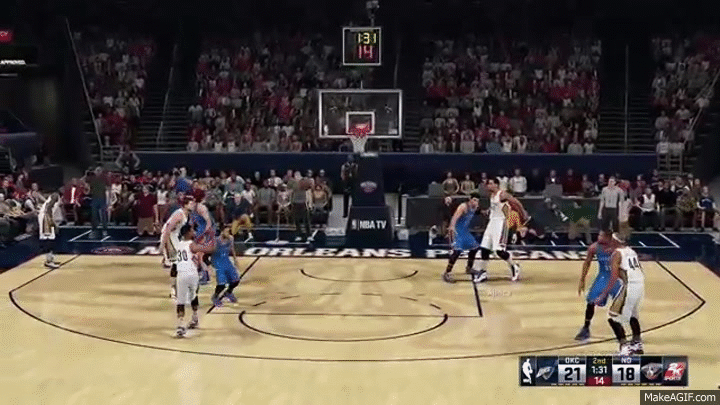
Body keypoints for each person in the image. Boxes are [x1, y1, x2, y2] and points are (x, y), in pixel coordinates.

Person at [595, 233, 645, 355]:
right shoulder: (631, 251)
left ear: (616, 241)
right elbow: (640, 269)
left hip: (630, 286)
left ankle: (624, 347)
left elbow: (613, 277)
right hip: (640, 284)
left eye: (612, 240)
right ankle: (637, 344)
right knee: (633, 315)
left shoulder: (617, 254)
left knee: (612, 317)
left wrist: (603, 294)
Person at [476, 179, 526, 282]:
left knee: (499, 251)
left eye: (490, 184)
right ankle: (483, 272)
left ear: (496, 184)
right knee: (484, 248)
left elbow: (515, 201)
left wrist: (523, 212)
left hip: (501, 223)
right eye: (488, 184)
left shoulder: (502, 194)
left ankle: (514, 266)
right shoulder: (492, 195)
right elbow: (495, 208)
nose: (488, 186)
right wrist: (487, 211)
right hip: (492, 222)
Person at [575, 231, 621, 340]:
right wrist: (582, 279)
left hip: (618, 278)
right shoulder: (594, 247)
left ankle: (628, 332)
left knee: (623, 303)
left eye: (601, 235)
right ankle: (586, 328)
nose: (598, 237)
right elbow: (587, 263)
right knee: (591, 301)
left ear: (608, 237)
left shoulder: (618, 248)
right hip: (603, 276)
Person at [173, 224, 215, 338]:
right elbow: (208, 249)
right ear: (187, 232)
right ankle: (195, 317)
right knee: (193, 296)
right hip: (192, 274)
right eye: (192, 230)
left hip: (181, 274)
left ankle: (181, 324)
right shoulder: (191, 245)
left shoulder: (179, 244)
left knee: (180, 301)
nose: (194, 232)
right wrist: (214, 240)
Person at [160, 197, 196, 298]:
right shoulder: (179, 215)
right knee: (177, 263)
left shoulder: (187, 214)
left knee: (180, 262)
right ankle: (174, 290)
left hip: (175, 236)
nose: (193, 205)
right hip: (169, 236)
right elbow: (167, 230)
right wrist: (163, 245)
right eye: (191, 203)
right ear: (185, 205)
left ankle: (177, 288)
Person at [443, 192, 482, 283]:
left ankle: (469, 267)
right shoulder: (463, 206)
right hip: (457, 231)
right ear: (470, 199)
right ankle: (447, 272)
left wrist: (486, 212)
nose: (475, 202)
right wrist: (451, 227)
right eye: (474, 200)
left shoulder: (475, 207)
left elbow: (478, 212)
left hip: (465, 232)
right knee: (457, 251)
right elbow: (455, 217)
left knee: (475, 248)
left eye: (477, 201)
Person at [210, 226, 241, 307]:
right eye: (226, 231)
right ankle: (215, 297)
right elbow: (210, 253)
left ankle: (228, 292)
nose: (228, 233)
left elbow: (232, 249)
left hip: (226, 260)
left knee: (236, 280)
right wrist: (210, 267)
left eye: (229, 231)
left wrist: (235, 260)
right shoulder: (216, 241)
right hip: (218, 262)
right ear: (222, 231)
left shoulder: (230, 239)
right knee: (222, 284)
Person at [190, 199, 216, 284]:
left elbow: (209, 223)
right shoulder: (192, 210)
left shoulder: (201, 208)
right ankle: (202, 273)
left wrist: (204, 234)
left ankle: (205, 276)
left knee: (200, 256)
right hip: (199, 233)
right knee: (197, 255)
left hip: (205, 234)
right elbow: (192, 224)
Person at [38, 193, 61, 269]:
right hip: (46, 217)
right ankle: (49, 261)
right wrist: (52, 221)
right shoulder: (56, 196)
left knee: (51, 238)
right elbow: (48, 208)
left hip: (46, 216)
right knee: (49, 238)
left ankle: (50, 258)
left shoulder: (54, 196)